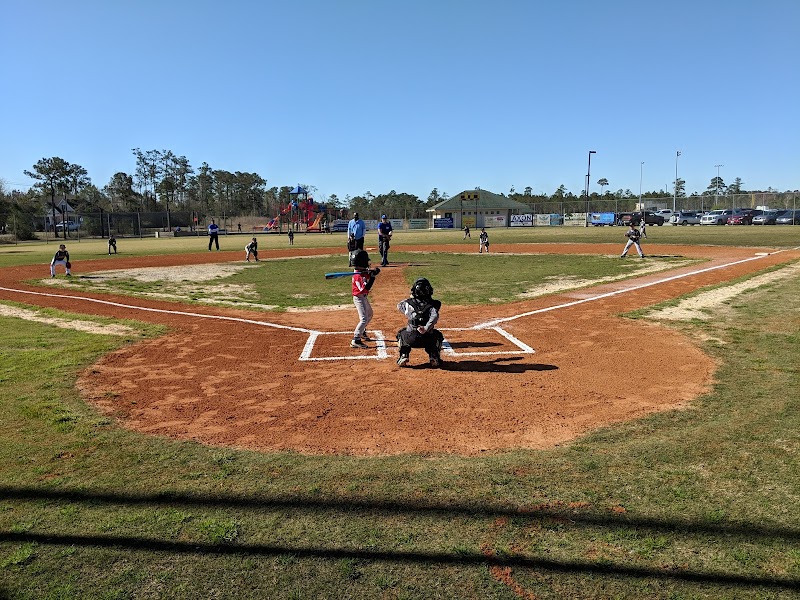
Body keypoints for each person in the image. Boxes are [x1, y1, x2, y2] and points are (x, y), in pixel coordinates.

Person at [396, 277, 444, 368]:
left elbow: (399, 306)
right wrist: (426, 328)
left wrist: (413, 312)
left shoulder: (407, 303)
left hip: (411, 338)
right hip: (428, 338)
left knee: (401, 333)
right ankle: (434, 356)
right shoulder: (435, 304)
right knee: (438, 335)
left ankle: (404, 355)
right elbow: (435, 316)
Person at [350, 250, 380, 349]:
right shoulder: (357, 276)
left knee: (370, 314)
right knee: (363, 319)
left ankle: (362, 331)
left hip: (363, 297)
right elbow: (364, 289)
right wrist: (372, 278)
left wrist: (374, 272)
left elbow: (368, 275)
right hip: (359, 298)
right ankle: (356, 339)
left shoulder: (361, 273)